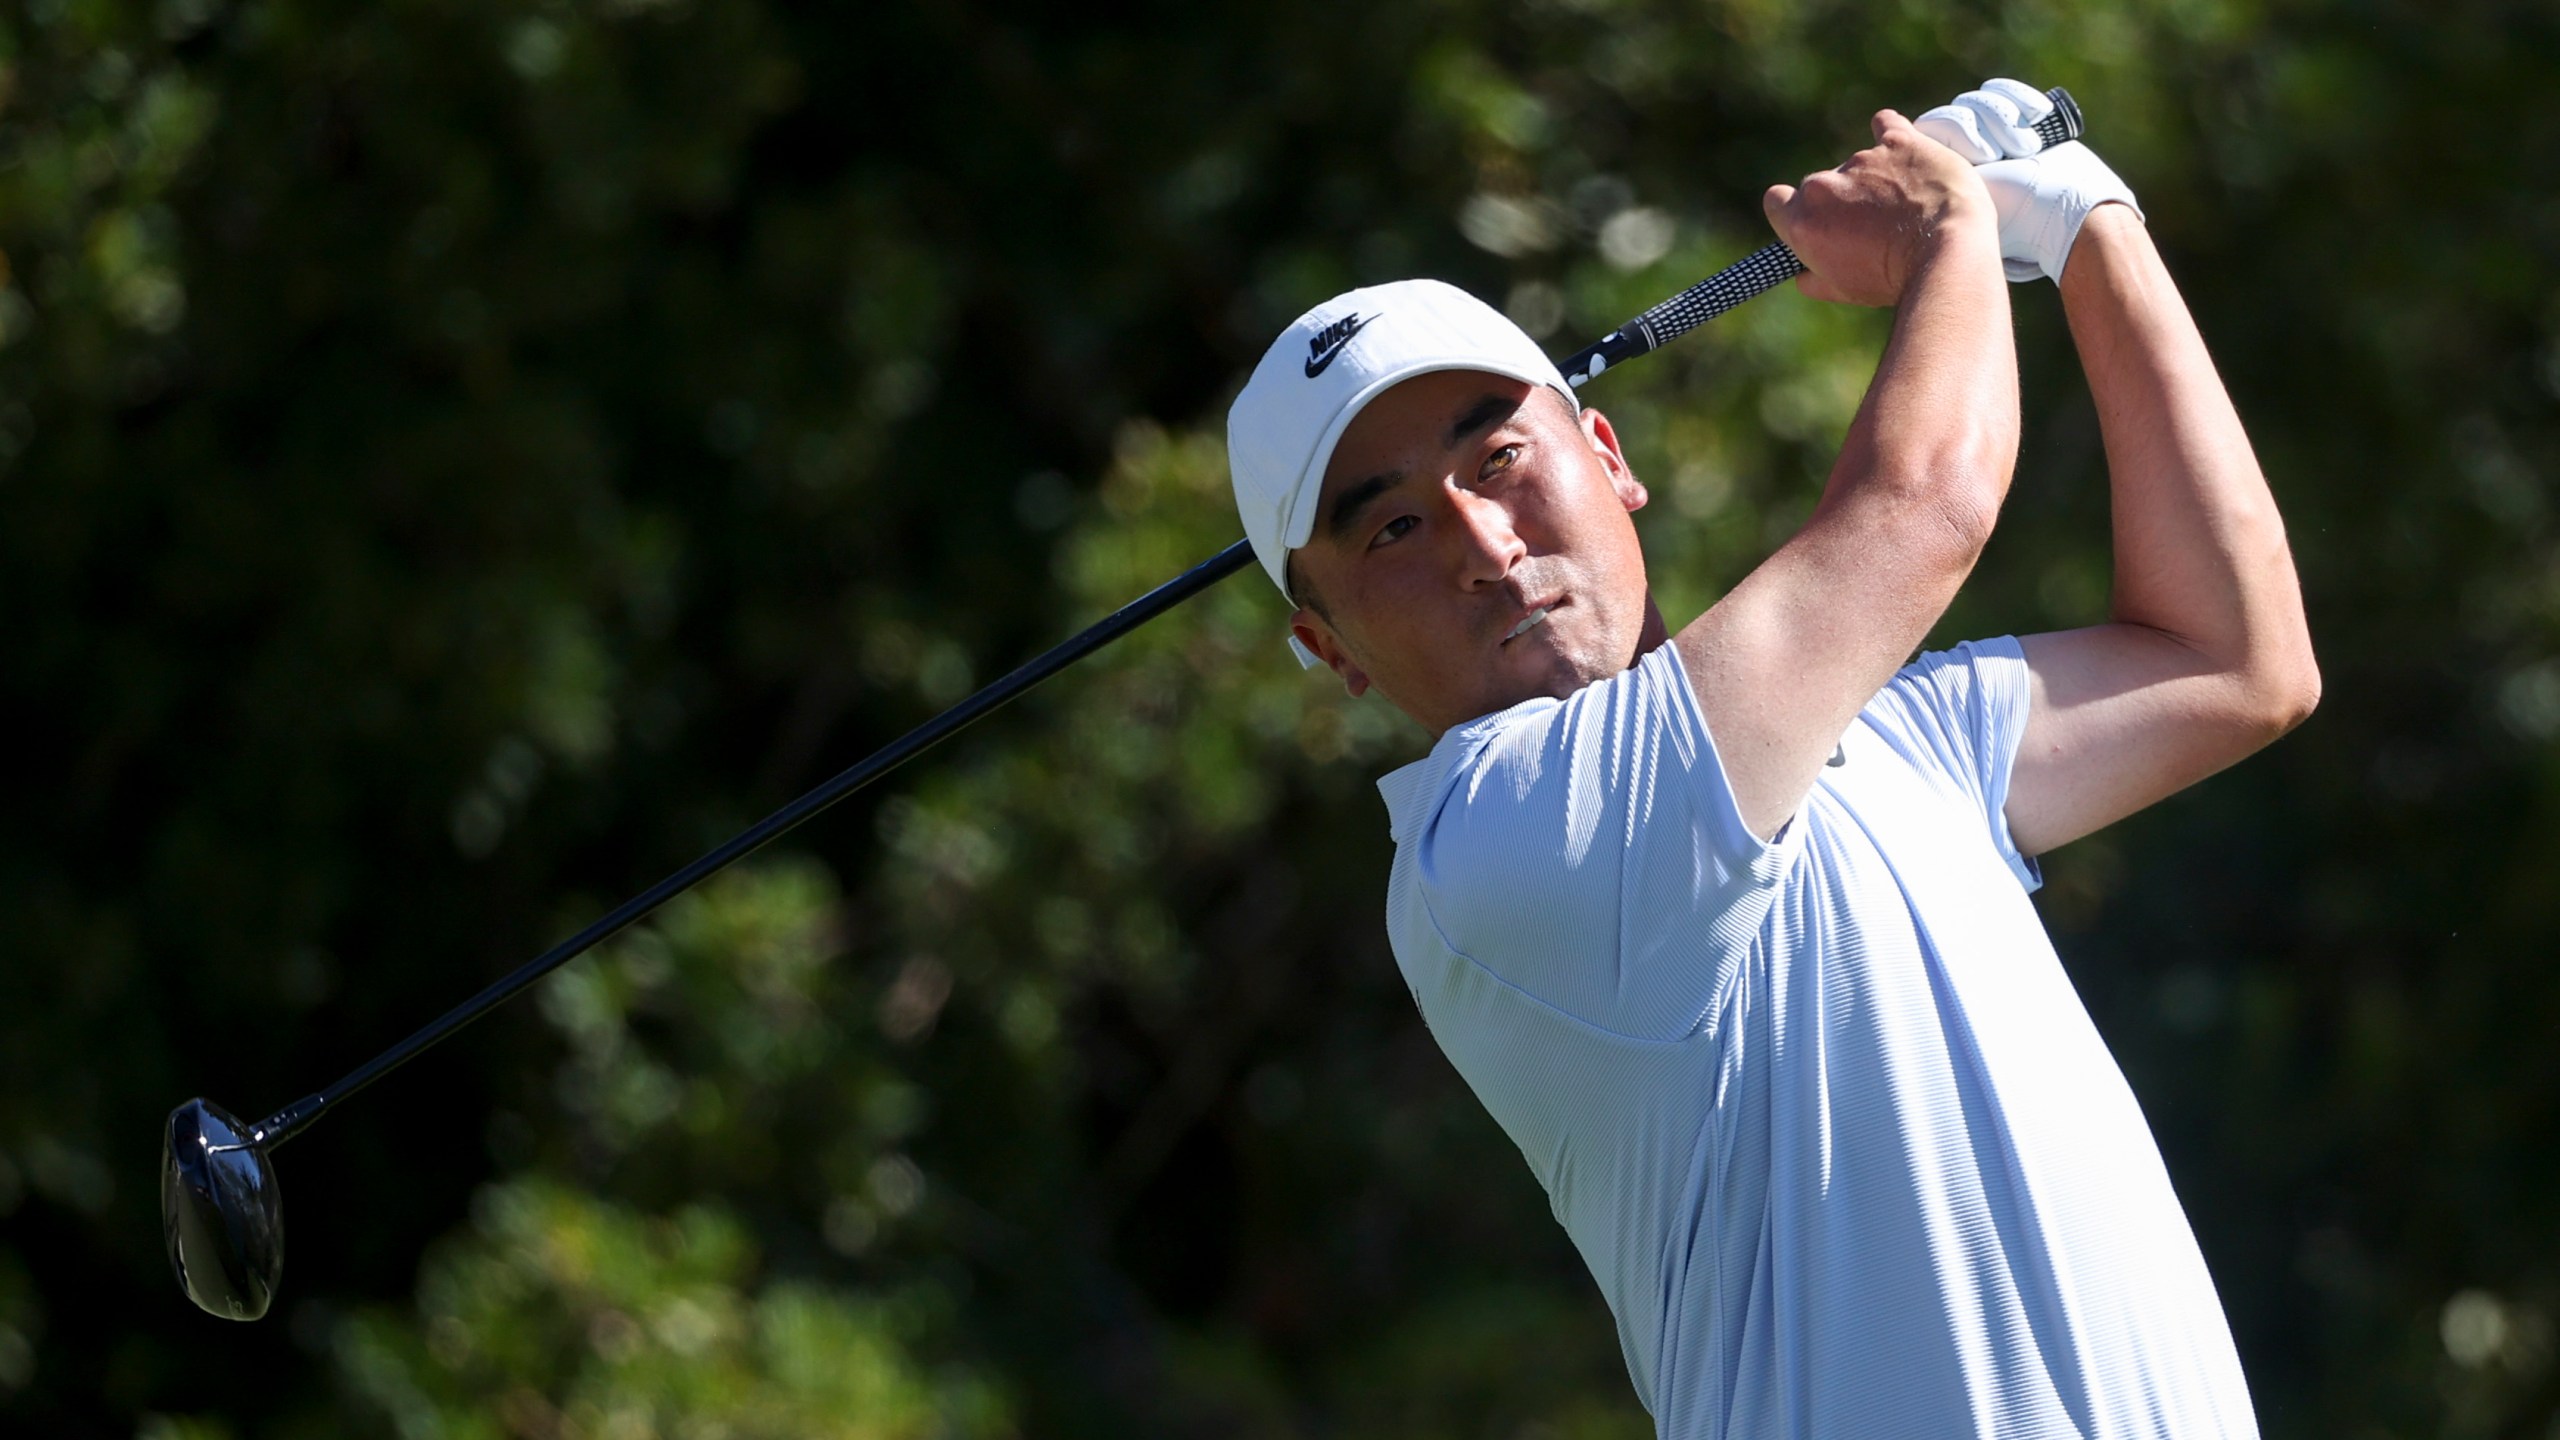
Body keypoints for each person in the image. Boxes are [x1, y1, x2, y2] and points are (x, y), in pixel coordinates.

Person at [1221, 80, 2318, 1438]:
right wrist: (1948, 227)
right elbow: (1924, 508)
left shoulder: (1894, 742)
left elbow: (2234, 660)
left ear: (1606, 454)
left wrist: (2092, 223)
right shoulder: (1500, 850)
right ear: (1332, 654)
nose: (1485, 546)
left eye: (1500, 455)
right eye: (1388, 531)